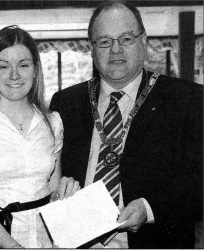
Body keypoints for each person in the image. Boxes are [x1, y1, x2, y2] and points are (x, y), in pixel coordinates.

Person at [50, 1, 203, 249]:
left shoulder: (187, 100)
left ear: (144, 41)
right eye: (104, 41)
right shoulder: (67, 103)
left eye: (126, 38)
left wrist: (149, 208)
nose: (115, 50)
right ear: (91, 49)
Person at [0, 25, 80, 248]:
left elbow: (52, 194)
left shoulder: (53, 122)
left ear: (35, 69)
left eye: (23, 65)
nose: (14, 75)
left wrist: (65, 193)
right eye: (3, 66)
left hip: (43, 240)